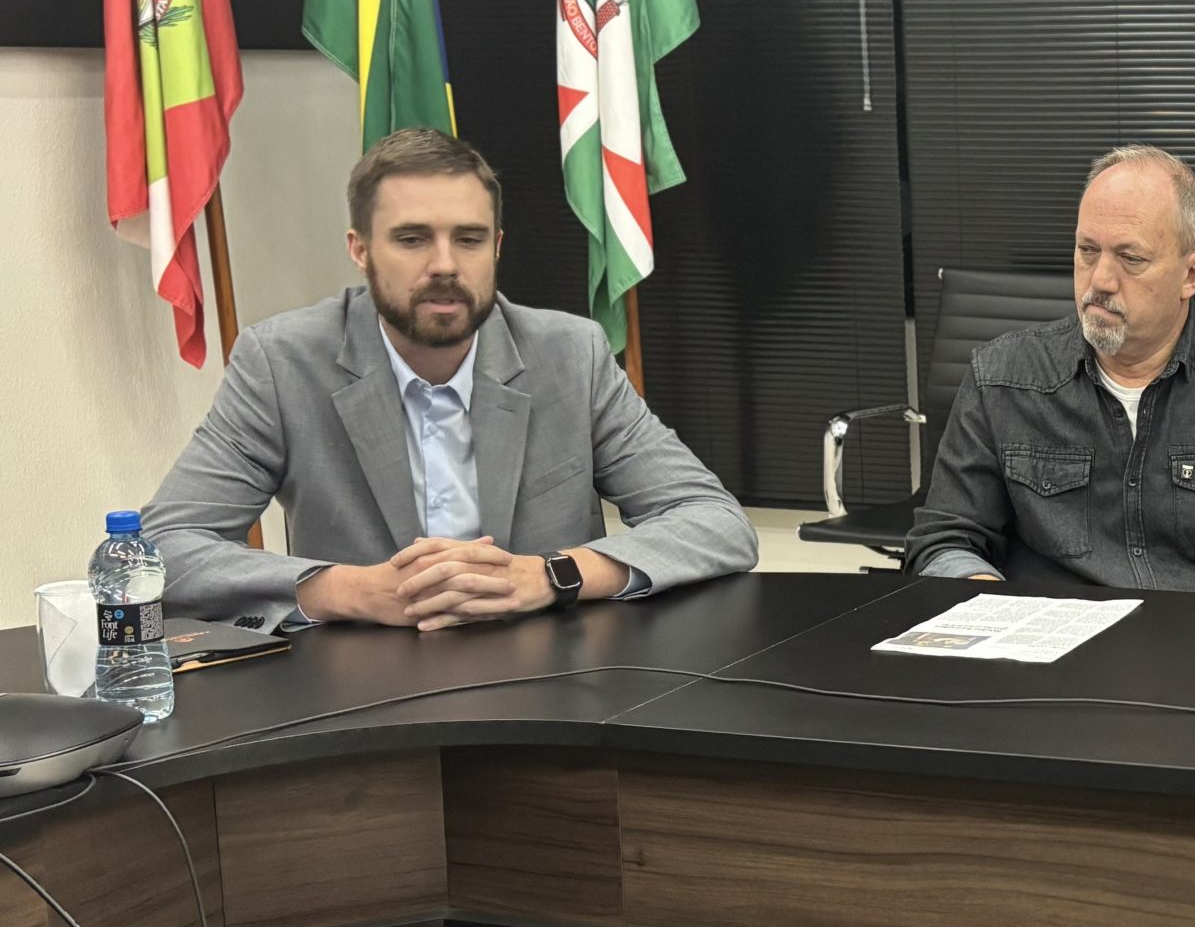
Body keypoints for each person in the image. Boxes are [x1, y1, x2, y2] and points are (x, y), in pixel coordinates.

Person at [142, 128, 758, 633]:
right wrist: (350, 590)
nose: (444, 265)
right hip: (358, 690)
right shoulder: (282, 363)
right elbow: (157, 551)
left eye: (469, 239)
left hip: (552, 685)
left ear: (497, 246)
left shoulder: (570, 355)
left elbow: (714, 522)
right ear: (360, 250)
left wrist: (551, 575)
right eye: (412, 239)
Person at [904, 145, 1195, 599]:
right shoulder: (1001, 378)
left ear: (1192, 275)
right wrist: (1007, 621)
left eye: (1131, 258)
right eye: (1088, 250)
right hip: (1055, 640)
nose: (1100, 280)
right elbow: (943, 542)